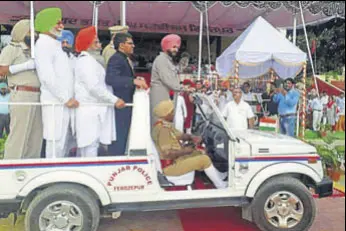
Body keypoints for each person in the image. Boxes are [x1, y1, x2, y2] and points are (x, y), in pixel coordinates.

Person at [74, 26, 125, 157]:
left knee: (91, 146)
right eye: (96, 42)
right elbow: (93, 88)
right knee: (90, 145)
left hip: (93, 109)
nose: (99, 45)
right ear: (87, 44)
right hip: (89, 109)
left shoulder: (91, 61)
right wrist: (114, 100)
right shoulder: (86, 62)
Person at [34, 8, 79, 158]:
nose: (61, 26)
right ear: (47, 25)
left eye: (61, 23)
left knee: (63, 143)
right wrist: (65, 98)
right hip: (55, 102)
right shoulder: (43, 44)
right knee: (55, 143)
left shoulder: (54, 44)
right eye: (57, 23)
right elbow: (47, 77)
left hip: (64, 102)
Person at [152, 100, 227, 189]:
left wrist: (192, 137)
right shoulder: (163, 130)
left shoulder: (165, 125)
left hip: (176, 160)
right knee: (204, 159)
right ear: (165, 114)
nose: (173, 114)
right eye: (171, 112)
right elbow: (167, 153)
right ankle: (221, 186)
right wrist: (185, 151)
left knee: (199, 152)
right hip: (170, 167)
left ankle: (218, 176)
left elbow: (180, 135)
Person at [0, 19, 43, 159]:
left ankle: (31, 165)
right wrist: (24, 66)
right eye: (31, 31)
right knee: (19, 134)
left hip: (38, 95)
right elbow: (1, 70)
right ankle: (12, 164)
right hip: (22, 93)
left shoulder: (36, 50)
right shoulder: (12, 48)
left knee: (35, 135)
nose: (34, 34)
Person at [105, 33, 148, 156]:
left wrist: (135, 79)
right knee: (119, 134)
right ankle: (115, 159)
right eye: (130, 43)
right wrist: (132, 81)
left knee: (124, 133)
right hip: (120, 103)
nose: (133, 46)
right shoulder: (116, 58)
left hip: (126, 102)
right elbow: (111, 78)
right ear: (121, 45)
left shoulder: (124, 58)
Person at [150, 34, 184, 126]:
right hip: (160, 96)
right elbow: (168, 79)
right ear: (166, 46)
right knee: (161, 124)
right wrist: (184, 88)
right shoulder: (161, 60)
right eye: (173, 47)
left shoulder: (168, 60)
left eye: (177, 47)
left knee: (167, 124)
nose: (176, 50)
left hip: (166, 97)